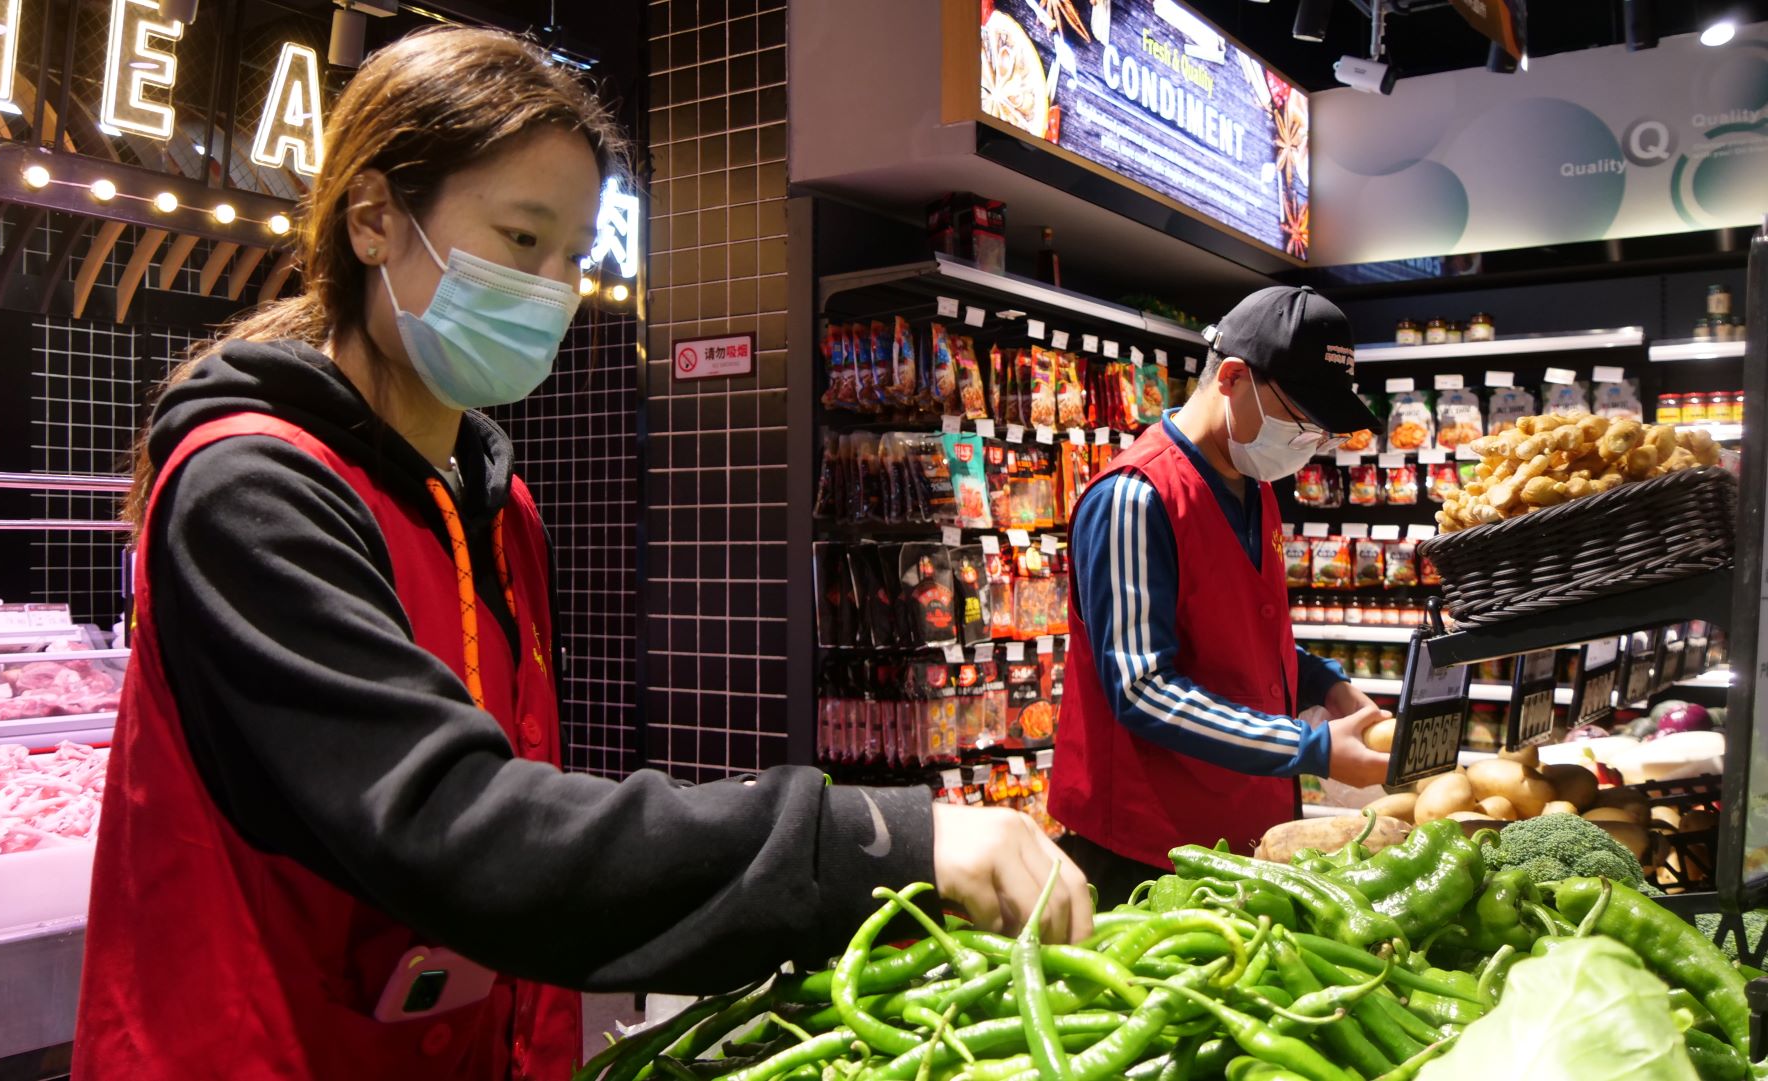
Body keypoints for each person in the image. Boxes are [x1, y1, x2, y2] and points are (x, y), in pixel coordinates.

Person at [73, 27, 1090, 1081]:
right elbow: (454, 825)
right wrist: (873, 841)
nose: (554, 290)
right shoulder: (248, 491)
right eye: (521, 240)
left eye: (572, 255)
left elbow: (527, 825)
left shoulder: (499, 504)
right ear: (376, 219)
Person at [1050, 285, 1392, 906]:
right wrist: (1311, 748)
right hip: (1146, 851)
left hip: (1243, 836)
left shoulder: (1250, 482)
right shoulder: (1135, 496)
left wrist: (1326, 686)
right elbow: (1141, 688)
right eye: (1301, 421)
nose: (1309, 443)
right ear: (1232, 378)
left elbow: (1243, 631)